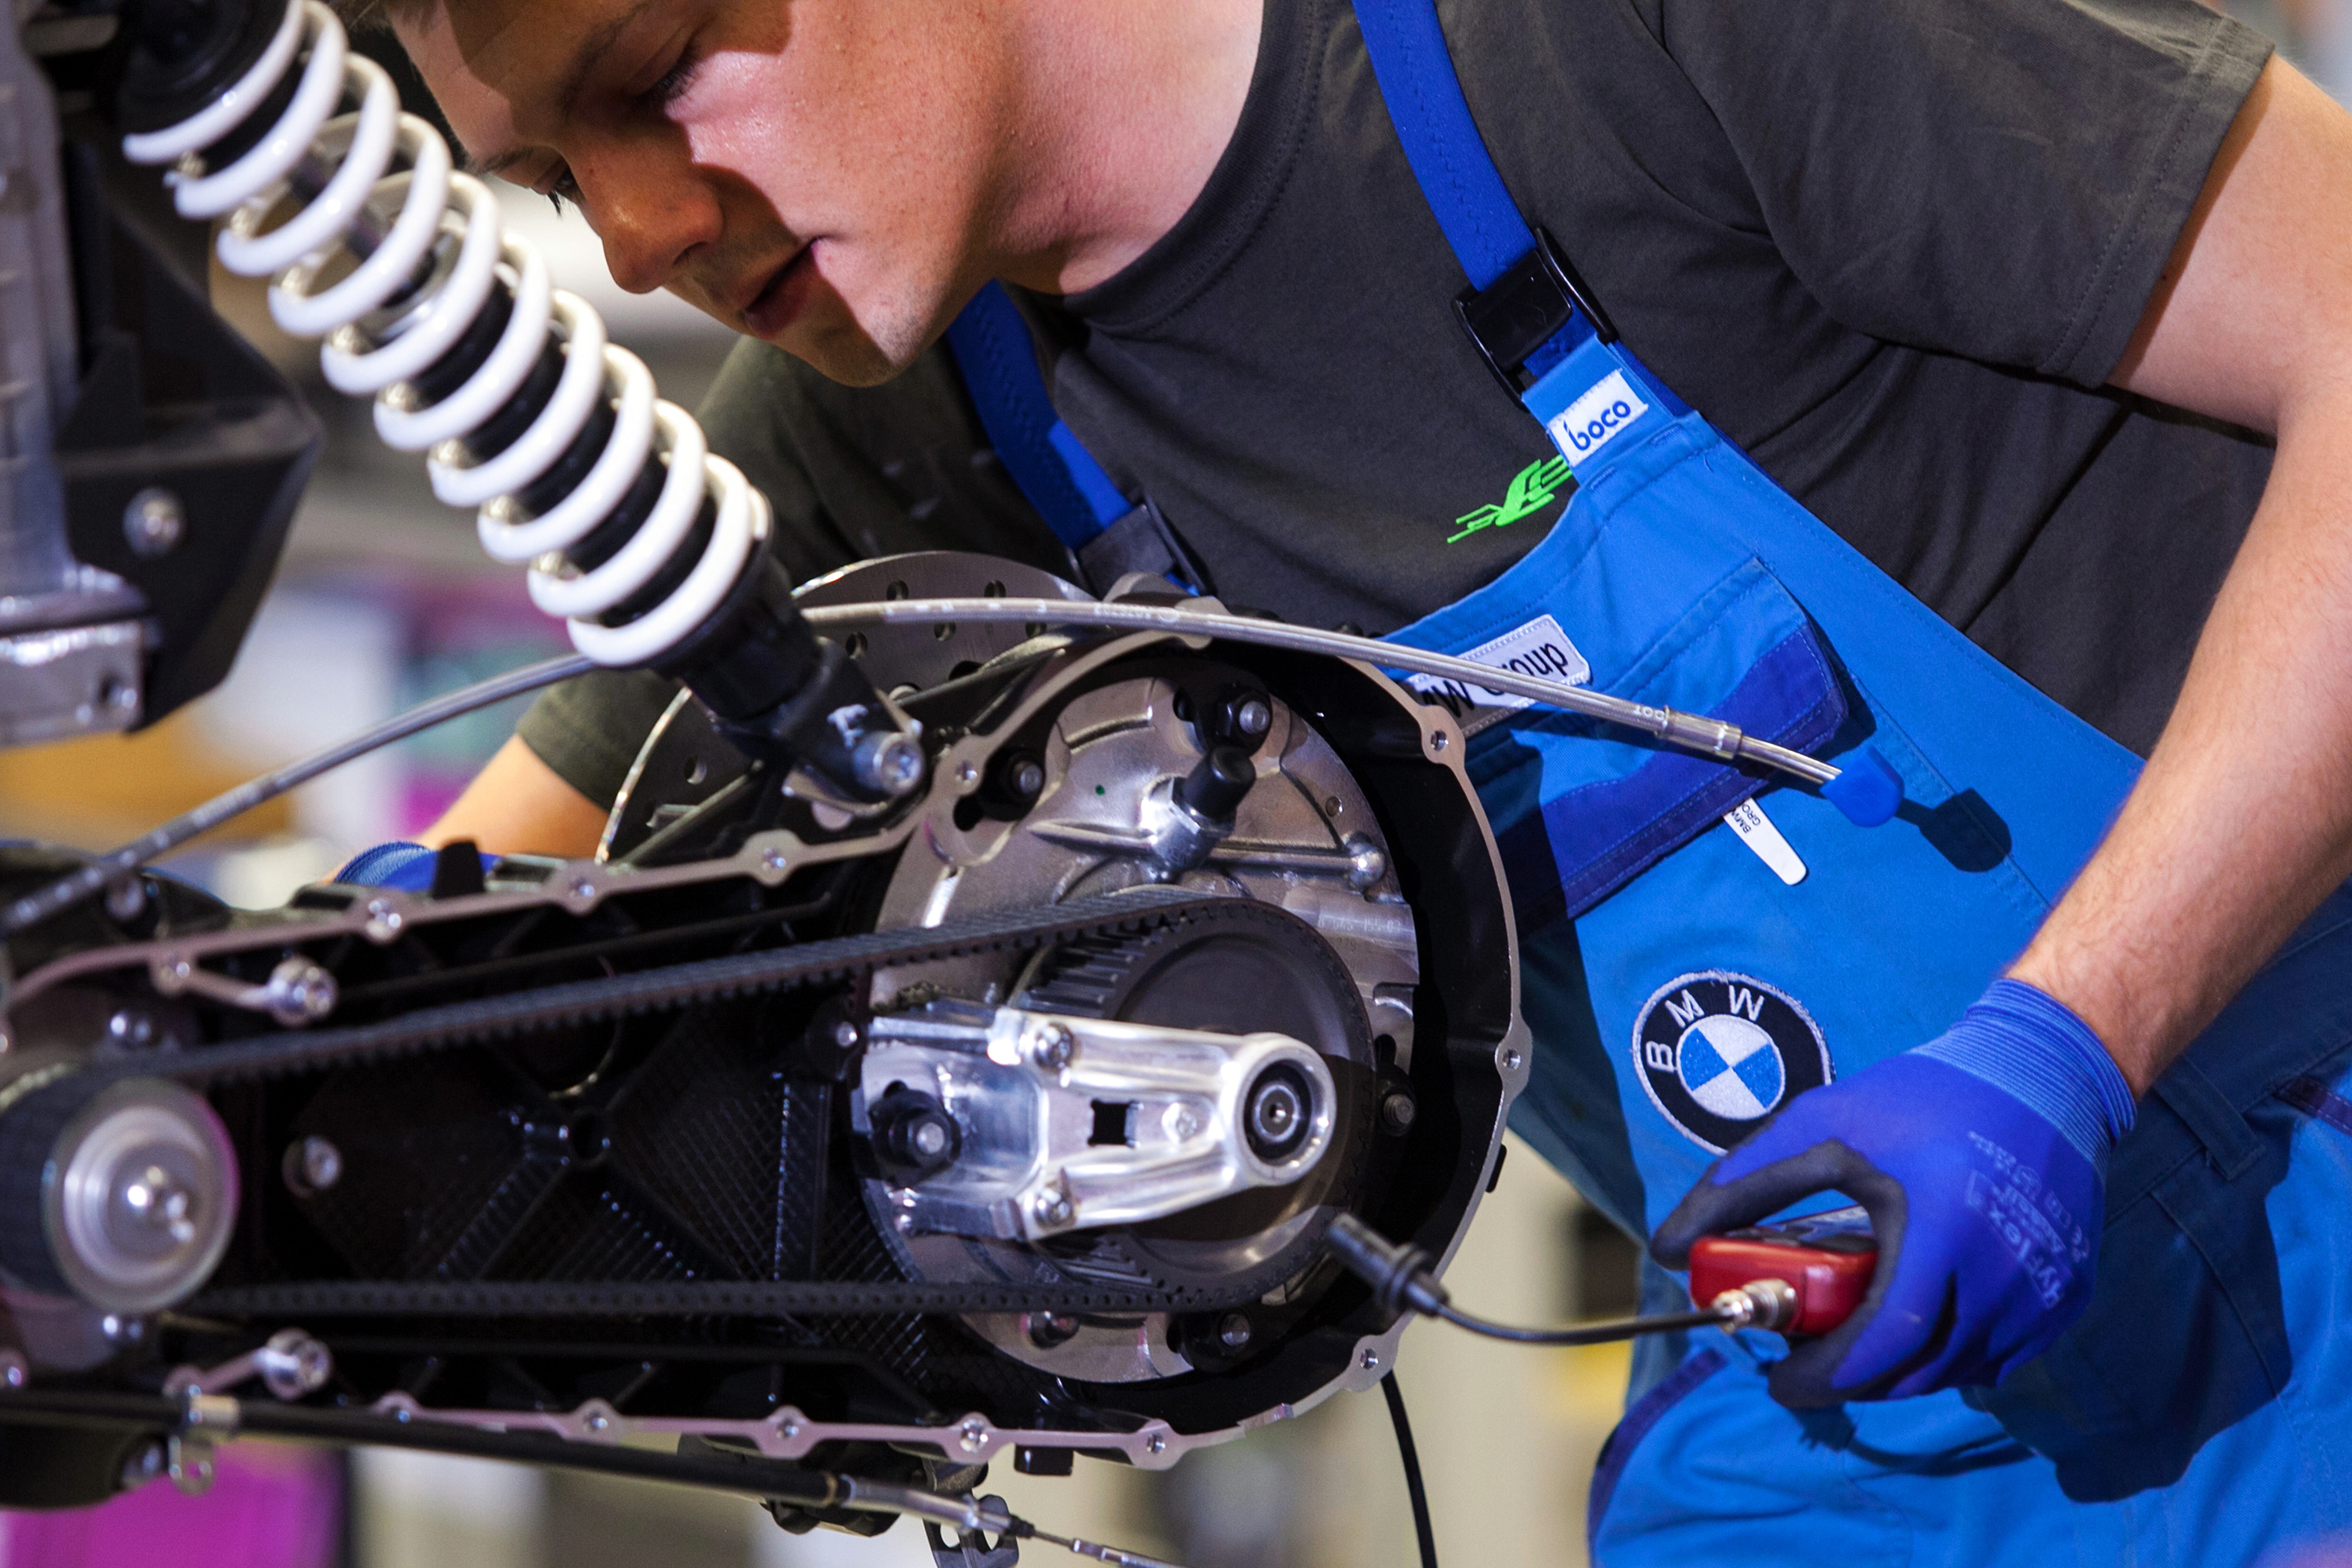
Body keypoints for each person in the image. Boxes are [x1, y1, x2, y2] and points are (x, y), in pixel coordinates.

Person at [356, 0, 2352, 1556]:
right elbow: (442, 966)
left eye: (661, 71)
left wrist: (2067, 1045)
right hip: (1890, 1420)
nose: (639, 230)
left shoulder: (1594, 41)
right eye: (551, 180)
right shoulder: (904, 413)